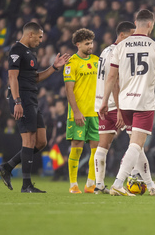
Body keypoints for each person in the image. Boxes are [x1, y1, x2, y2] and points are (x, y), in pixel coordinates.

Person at [100, 9, 155, 196]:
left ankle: (149, 185)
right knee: (137, 145)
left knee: (136, 146)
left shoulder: (120, 47)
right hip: (143, 103)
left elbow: (111, 77)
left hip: (124, 103)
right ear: (150, 24)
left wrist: (105, 101)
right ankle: (118, 183)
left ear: (136, 22)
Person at [0, 22, 70, 193]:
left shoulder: (31, 53)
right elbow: (12, 78)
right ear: (30, 34)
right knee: (28, 140)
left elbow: (35, 78)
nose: (41, 40)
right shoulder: (17, 50)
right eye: (40, 36)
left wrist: (53, 68)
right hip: (22, 99)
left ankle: (8, 167)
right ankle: (26, 185)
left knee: (41, 141)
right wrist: (17, 102)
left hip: (32, 98)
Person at [94, 21, 135, 194]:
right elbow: (116, 82)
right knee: (137, 141)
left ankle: (98, 185)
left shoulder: (105, 51)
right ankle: (139, 179)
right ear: (123, 35)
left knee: (103, 145)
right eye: (132, 36)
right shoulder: (119, 52)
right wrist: (119, 109)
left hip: (101, 103)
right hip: (116, 105)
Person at [63, 28, 99, 194]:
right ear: (78, 44)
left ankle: (90, 184)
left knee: (97, 149)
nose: (90, 46)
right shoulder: (72, 63)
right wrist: (76, 112)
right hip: (79, 113)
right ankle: (73, 184)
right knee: (76, 147)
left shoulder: (98, 61)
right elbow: (69, 90)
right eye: (87, 43)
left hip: (95, 112)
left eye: (91, 43)